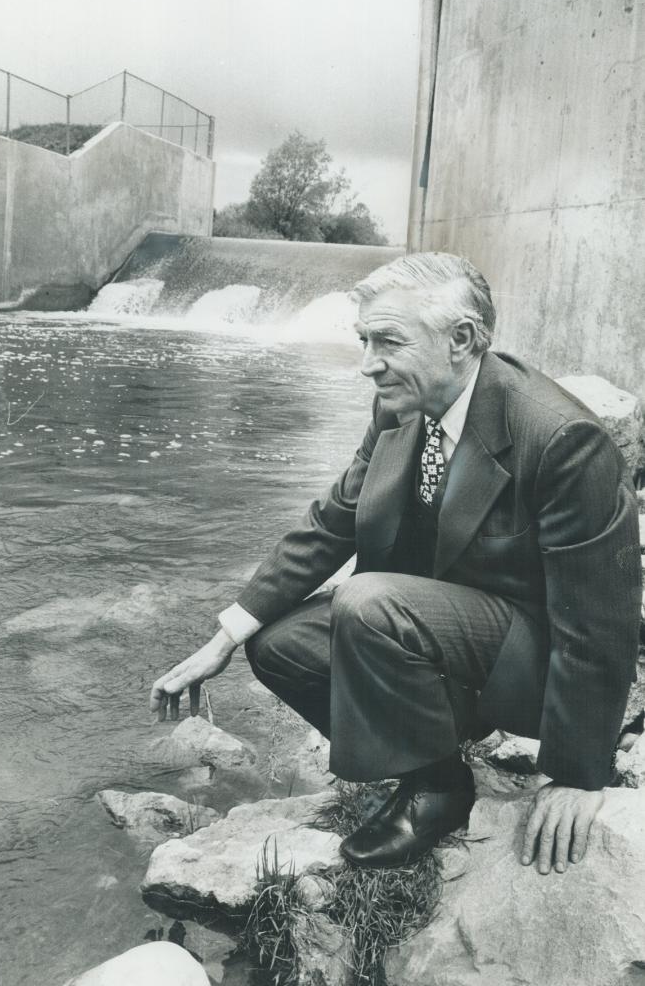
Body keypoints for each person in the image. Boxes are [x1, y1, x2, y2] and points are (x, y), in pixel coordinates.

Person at [150, 252, 641, 874]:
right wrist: (224, 636)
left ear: (461, 339)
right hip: (436, 645)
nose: (366, 364)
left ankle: (433, 801)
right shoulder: (399, 406)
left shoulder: (562, 438)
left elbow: (602, 623)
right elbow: (333, 523)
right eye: (363, 340)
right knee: (278, 644)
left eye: (387, 341)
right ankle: (435, 776)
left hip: (532, 668)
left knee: (366, 601)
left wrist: (578, 772)